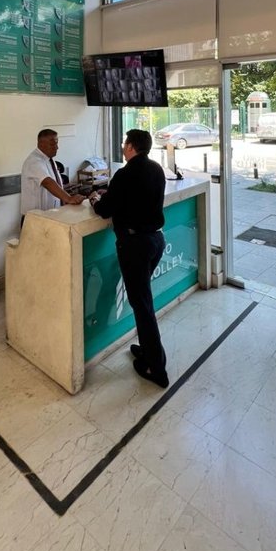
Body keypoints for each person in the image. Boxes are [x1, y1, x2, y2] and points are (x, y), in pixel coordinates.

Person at [89, 129, 168, 388]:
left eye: (125, 143)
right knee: (142, 299)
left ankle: (156, 368)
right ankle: (146, 349)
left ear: (132, 147)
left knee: (142, 305)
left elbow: (105, 210)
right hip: (156, 241)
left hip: (135, 246)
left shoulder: (124, 174)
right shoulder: (156, 169)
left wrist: (95, 199)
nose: (123, 147)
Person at [20, 129, 84, 223]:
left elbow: (55, 182)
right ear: (41, 144)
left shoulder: (49, 159)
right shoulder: (34, 161)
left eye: (57, 143)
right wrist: (68, 198)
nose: (57, 147)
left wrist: (66, 199)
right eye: (52, 144)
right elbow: (47, 182)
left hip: (49, 216)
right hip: (34, 219)